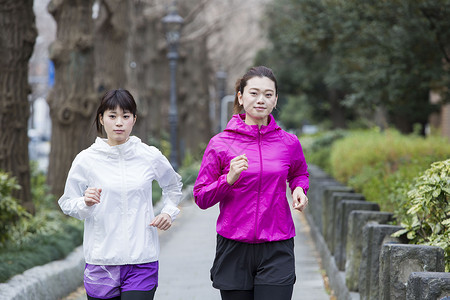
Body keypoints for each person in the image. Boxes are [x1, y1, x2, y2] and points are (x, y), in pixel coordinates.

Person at [193, 66, 309, 300]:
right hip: (234, 245)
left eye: (268, 94)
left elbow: (299, 173)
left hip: (277, 244)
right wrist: (228, 180)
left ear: (276, 99)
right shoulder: (220, 143)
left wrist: (298, 188)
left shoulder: (288, 143)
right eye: (254, 93)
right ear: (240, 96)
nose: (261, 100)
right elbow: (201, 197)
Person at [58, 89, 183, 300]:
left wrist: (168, 212)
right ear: (101, 118)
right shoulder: (87, 159)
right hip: (102, 262)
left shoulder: (148, 155)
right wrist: (85, 203)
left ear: (134, 119)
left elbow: (173, 186)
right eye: (112, 116)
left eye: (125, 116)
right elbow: (67, 202)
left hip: (142, 260)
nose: (119, 123)